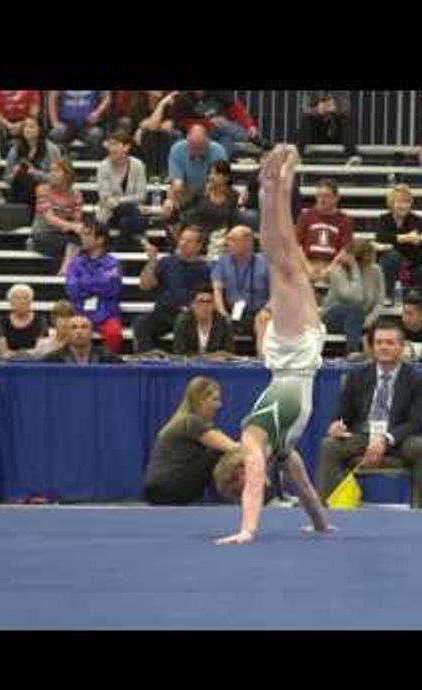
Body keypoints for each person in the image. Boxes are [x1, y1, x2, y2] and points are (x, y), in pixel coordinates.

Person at [210, 144, 332, 545]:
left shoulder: (252, 438)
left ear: (240, 469)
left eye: (246, 476)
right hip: (302, 355)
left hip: (292, 355)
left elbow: (254, 485)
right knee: (289, 255)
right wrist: (320, 524)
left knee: (279, 259)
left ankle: (271, 189)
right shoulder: (284, 450)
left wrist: (248, 529)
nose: (254, 478)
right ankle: (281, 185)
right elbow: (306, 491)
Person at [316, 319, 422, 509]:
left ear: (401, 347)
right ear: (372, 346)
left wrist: (386, 439)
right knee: (329, 445)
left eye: (390, 343)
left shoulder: (417, 380)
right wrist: (336, 425)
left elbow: (416, 423)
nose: (384, 347)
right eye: (379, 342)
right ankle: (324, 514)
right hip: (362, 436)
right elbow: (341, 414)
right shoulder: (357, 376)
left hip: (397, 440)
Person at [144, 377, 240, 505]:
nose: (219, 405)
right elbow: (234, 448)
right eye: (215, 399)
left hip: (155, 491)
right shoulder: (192, 422)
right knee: (220, 452)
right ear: (201, 400)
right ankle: (250, 496)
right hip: (166, 490)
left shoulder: (183, 420)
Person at [134, 225, 211, 352]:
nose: (183, 243)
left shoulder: (205, 269)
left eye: (189, 241)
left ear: (199, 246)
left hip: (190, 316)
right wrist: (152, 261)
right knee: (141, 323)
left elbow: (206, 298)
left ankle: (181, 363)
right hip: (164, 313)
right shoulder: (166, 262)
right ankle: (146, 360)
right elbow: (145, 286)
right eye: (182, 239)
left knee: (184, 322)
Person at [65, 219, 124, 355]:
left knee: (114, 333)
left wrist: (84, 283)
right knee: (65, 329)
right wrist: (99, 281)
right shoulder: (76, 263)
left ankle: (109, 367)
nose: (82, 238)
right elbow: (72, 289)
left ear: (100, 240)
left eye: (87, 235)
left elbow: (111, 288)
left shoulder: (113, 263)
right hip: (80, 313)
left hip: (106, 313)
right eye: (83, 234)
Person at [211, 225, 271, 354]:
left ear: (247, 241)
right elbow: (217, 290)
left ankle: (262, 361)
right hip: (232, 312)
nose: (227, 243)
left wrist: (266, 309)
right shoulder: (223, 262)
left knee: (264, 320)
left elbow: (276, 294)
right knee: (217, 320)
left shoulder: (265, 263)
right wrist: (222, 313)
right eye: (228, 239)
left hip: (258, 312)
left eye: (232, 239)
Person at [321, 238, 385, 354]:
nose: (371, 261)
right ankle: (353, 352)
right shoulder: (338, 272)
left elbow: (380, 301)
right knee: (355, 309)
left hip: (361, 321)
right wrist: (355, 269)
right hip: (332, 319)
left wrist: (369, 320)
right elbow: (355, 298)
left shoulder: (376, 270)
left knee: (382, 326)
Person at [174, 159, 240, 259]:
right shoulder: (201, 192)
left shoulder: (233, 196)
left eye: (216, 173)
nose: (211, 177)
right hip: (199, 234)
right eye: (210, 173)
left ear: (226, 177)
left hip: (219, 237)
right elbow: (181, 206)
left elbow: (232, 221)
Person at [31, 158, 84, 276]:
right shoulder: (42, 189)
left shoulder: (76, 194)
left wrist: (76, 226)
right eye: (51, 170)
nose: (52, 173)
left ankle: (65, 271)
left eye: (56, 170)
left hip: (63, 234)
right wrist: (71, 225)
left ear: (67, 174)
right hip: (43, 233)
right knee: (72, 246)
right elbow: (49, 218)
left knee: (80, 241)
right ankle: (65, 271)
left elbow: (77, 218)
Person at [170, 90, 261, 158]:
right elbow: (180, 124)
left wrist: (250, 126)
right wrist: (208, 122)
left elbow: (236, 109)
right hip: (197, 133)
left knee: (226, 140)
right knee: (223, 125)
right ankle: (252, 140)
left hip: (221, 132)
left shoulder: (217, 93)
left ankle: (219, 171)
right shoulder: (182, 99)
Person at [96, 131, 147, 249]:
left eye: (115, 144)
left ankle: (118, 248)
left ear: (126, 147)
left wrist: (118, 200)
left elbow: (142, 195)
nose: (111, 148)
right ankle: (131, 243)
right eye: (109, 144)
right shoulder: (103, 167)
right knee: (132, 211)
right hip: (110, 212)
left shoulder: (138, 165)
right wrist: (127, 202)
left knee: (126, 222)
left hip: (130, 213)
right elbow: (105, 199)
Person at [296, 178, 354, 282]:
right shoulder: (305, 216)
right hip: (308, 262)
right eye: (319, 196)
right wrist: (307, 267)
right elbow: (297, 246)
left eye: (326, 196)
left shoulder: (344, 219)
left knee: (341, 275)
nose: (321, 199)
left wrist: (330, 269)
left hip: (333, 264)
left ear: (336, 198)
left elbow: (345, 249)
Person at [375, 183, 422, 295]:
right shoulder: (383, 219)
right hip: (389, 262)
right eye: (399, 202)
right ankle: (386, 296)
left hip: (411, 263)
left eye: (407, 202)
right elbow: (381, 237)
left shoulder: (416, 220)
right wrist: (406, 238)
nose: (403, 206)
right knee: (393, 257)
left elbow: (415, 243)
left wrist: (393, 240)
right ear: (392, 204)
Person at [4, 116, 61, 212]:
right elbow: (6, 178)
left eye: (31, 127)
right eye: (25, 127)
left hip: (44, 189)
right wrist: (14, 173)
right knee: (23, 179)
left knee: (29, 181)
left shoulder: (52, 149)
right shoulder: (14, 150)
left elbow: (57, 177)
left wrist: (35, 173)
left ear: (39, 130)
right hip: (19, 190)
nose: (27, 130)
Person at [238, 145, 303, 230]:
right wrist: (242, 205)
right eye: (264, 158)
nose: (267, 162)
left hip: (281, 218)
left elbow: (295, 209)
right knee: (243, 215)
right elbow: (248, 197)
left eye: (270, 159)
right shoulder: (256, 175)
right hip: (260, 215)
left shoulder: (287, 180)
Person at [165, 125, 229, 211]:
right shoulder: (177, 150)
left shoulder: (218, 151)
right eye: (193, 146)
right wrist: (173, 196)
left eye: (200, 146)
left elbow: (221, 180)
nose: (196, 150)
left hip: (211, 192)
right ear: (187, 141)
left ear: (208, 141)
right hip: (187, 192)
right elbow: (177, 181)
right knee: (171, 199)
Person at [129, 90, 181, 182]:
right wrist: (161, 104)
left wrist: (150, 126)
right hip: (141, 140)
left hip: (161, 137)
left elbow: (169, 125)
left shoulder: (169, 102)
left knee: (169, 134)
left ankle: (165, 172)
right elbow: (152, 126)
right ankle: (151, 173)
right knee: (149, 135)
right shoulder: (137, 104)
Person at [296, 91, 360, 164]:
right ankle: (298, 155)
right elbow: (305, 109)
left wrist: (335, 109)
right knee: (306, 119)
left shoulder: (342, 92)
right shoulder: (310, 92)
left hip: (335, 128)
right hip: (317, 130)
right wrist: (317, 110)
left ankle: (352, 155)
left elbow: (346, 109)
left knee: (346, 120)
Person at [172, 283, 235, 355]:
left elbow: (229, 353)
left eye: (209, 302)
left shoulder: (224, 323)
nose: (205, 306)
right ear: (193, 304)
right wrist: (208, 357)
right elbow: (179, 352)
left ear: (214, 305)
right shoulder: (183, 321)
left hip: (216, 365)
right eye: (201, 301)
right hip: (189, 365)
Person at [47, 91, 111, 160]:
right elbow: (51, 98)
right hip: (66, 125)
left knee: (97, 135)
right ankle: (59, 164)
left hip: (88, 125)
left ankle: (84, 161)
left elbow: (107, 98)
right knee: (54, 134)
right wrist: (54, 121)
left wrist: (97, 112)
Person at [42, 314, 122, 364]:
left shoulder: (107, 357)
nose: (79, 331)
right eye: (74, 327)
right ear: (67, 333)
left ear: (91, 333)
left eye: (84, 327)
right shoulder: (53, 359)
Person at [0, 284, 48, 358]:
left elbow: (39, 351)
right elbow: (3, 352)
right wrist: (25, 353)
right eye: (17, 298)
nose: (22, 301)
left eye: (25, 298)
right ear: (11, 302)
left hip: (34, 363)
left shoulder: (41, 320)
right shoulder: (2, 320)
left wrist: (15, 354)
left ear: (31, 301)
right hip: (9, 364)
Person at [0, 90, 41, 154]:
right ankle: (3, 159)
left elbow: (34, 113)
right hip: (3, 122)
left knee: (31, 128)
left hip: (25, 121)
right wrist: (8, 125)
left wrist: (21, 124)